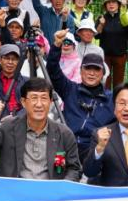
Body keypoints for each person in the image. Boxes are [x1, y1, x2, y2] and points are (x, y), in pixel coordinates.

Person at [0, 78, 81, 180]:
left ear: (50, 101)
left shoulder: (64, 133)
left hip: (50, 192)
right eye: (34, 98)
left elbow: (75, 169)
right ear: (23, 102)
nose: (39, 104)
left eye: (44, 98)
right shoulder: (8, 128)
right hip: (14, 190)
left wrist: (61, 187)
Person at [47, 30, 115, 161]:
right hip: (67, 147)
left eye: (96, 69)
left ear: (103, 73)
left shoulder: (111, 99)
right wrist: (56, 45)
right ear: (80, 70)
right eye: (88, 68)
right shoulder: (70, 89)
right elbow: (52, 70)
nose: (91, 73)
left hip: (96, 149)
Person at [97, 0, 128, 89]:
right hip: (105, 56)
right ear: (105, 5)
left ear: (118, 4)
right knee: (105, 80)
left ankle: (117, 98)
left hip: (120, 55)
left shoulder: (123, 17)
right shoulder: (102, 18)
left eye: (114, 2)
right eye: (109, 2)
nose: (111, 4)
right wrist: (101, 25)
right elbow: (96, 35)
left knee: (119, 83)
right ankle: (106, 98)